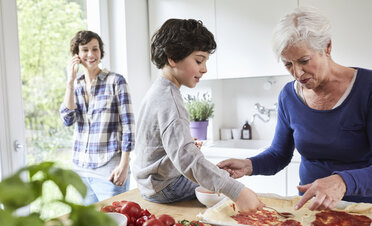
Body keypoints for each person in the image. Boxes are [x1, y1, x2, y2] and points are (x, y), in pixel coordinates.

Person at [218, 6, 372, 211]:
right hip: (308, 211)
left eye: (304, 60)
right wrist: (248, 165)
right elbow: (278, 155)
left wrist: (342, 182)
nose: (297, 72)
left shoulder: (367, 88)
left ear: (327, 46)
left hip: (362, 211)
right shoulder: (289, 96)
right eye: (288, 64)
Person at [132, 18, 264, 213]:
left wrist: (216, 174)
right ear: (173, 57)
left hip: (150, 184)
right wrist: (236, 190)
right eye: (199, 60)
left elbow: (161, 147)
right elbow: (187, 159)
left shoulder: (157, 91)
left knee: (215, 180)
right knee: (228, 199)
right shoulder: (170, 100)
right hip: (165, 187)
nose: (204, 69)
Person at [59, 30, 135, 205]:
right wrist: (69, 82)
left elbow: (128, 127)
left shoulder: (116, 81)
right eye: (85, 49)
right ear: (76, 54)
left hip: (109, 169)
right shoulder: (76, 85)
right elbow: (67, 120)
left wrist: (124, 165)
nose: (91, 54)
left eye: (95, 49)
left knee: (114, 225)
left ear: (101, 52)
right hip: (81, 170)